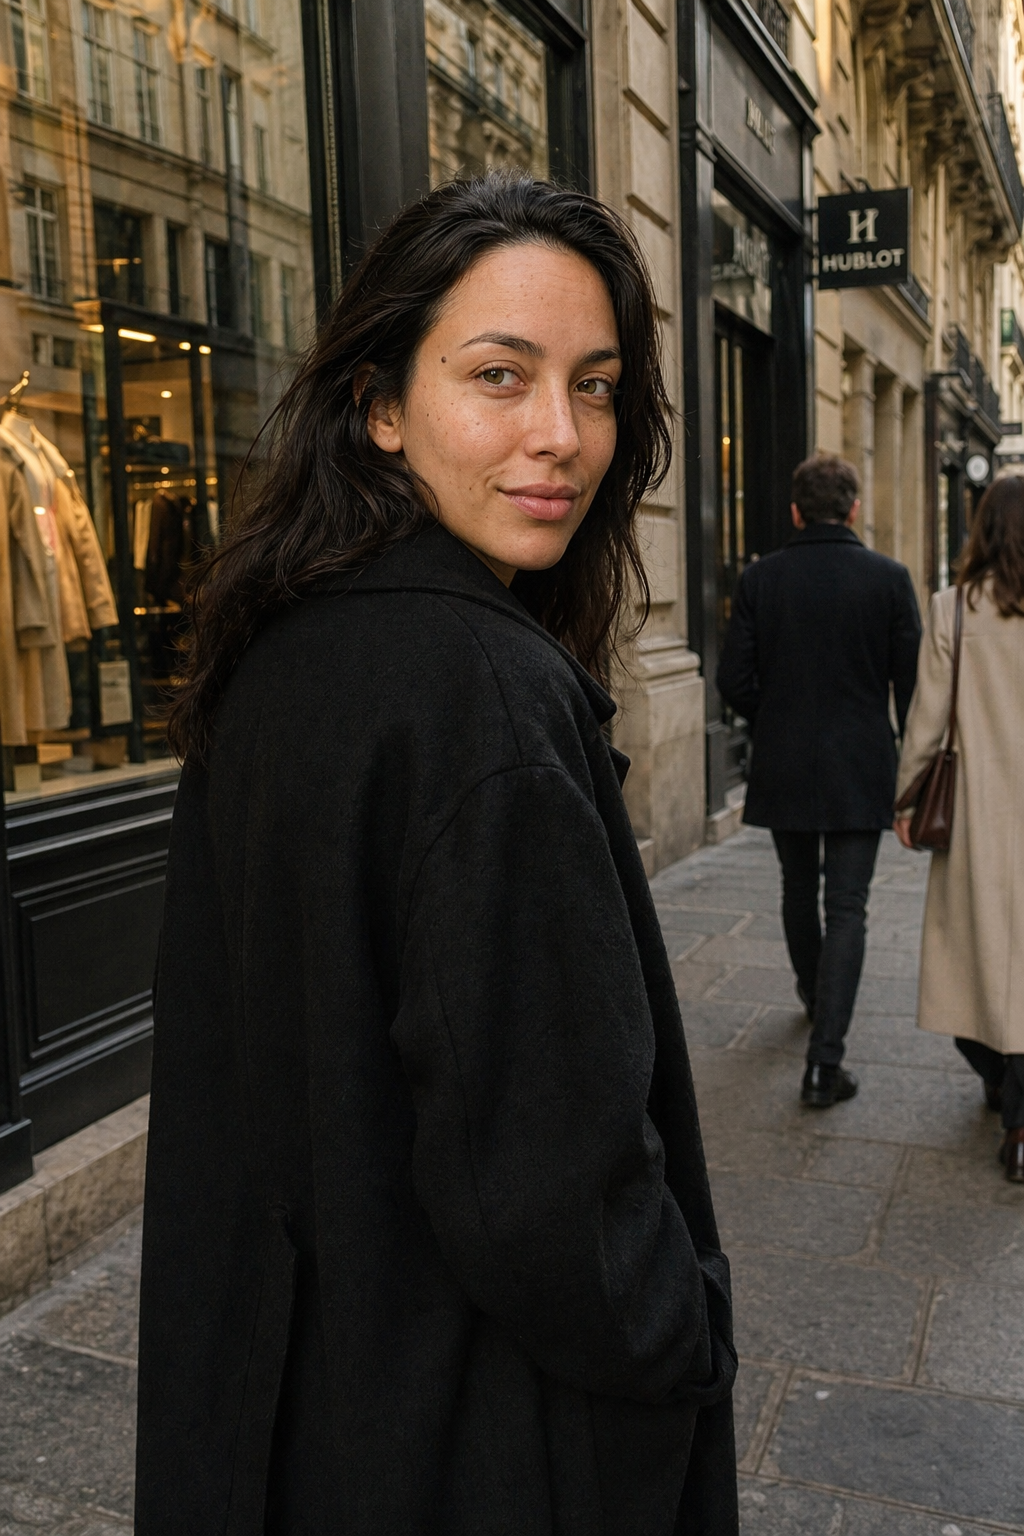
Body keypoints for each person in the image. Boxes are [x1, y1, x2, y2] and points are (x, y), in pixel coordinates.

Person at [134, 174, 738, 1534]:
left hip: (297, 1410)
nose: (561, 437)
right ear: (382, 402)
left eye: (594, 386)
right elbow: (550, 1185)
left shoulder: (288, 642)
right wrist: (680, 1335)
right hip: (471, 1446)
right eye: (499, 375)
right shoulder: (479, 697)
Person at [718, 454, 922, 1108]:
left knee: (798, 888)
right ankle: (823, 1063)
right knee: (848, 907)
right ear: (854, 509)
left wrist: (774, 718)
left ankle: (815, 996)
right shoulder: (890, 580)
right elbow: (913, 688)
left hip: (784, 761)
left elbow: (733, 681)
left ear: (796, 512)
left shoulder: (762, 579)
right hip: (863, 763)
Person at [894, 475, 1024, 1182]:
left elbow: (926, 719)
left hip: (982, 814)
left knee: (977, 959)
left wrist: (908, 799)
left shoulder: (953, 608)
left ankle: (1007, 1090)